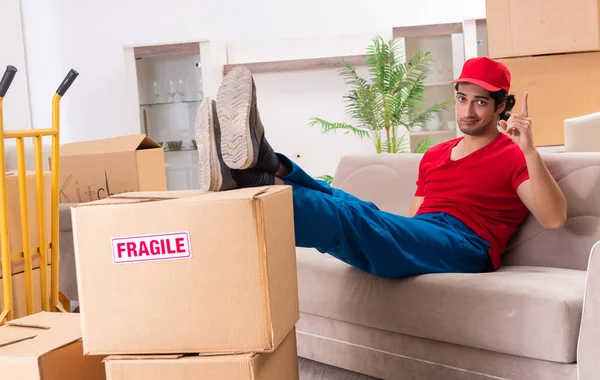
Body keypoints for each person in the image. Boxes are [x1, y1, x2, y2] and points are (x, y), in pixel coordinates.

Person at [194, 57, 567, 278]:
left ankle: (249, 186)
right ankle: (260, 168)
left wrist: (530, 151)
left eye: (481, 103)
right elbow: (413, 219)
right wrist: (394, 232)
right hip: (425, 233)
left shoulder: (513, 153)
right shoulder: (436, 154)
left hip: (468, 246)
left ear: (502, 107)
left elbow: (553, 219)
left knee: (352, 218)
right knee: (351, 207)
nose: (468, 111)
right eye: (461, 99)